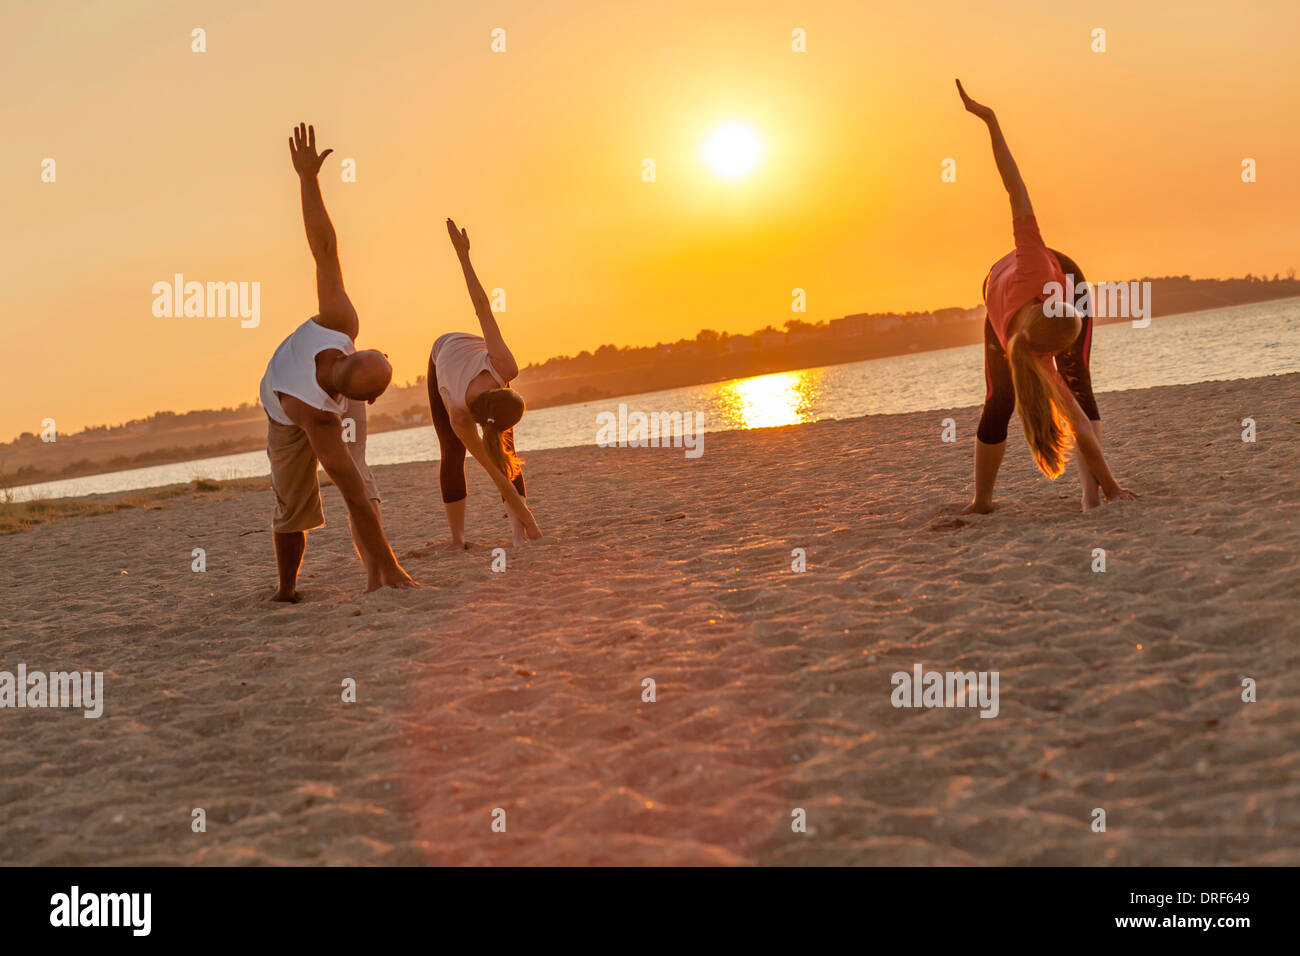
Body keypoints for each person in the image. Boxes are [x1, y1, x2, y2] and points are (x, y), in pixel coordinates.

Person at [955, 81, 1138, 514]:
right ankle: (981, 501)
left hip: (1061, 276)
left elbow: (1015, 188)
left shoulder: (1037, 268)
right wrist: (991, 120)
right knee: (1000, 399)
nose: (1059, 358)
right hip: (1011, 305)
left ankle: (1090, 494)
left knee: (1077, 384)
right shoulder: (1030, 345)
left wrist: (1111, 488)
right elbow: (1012, 181)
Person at [260, 123, 416, 599]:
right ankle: (287, 590)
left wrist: (309, 179)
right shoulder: (318, 410)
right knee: (293, 503)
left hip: (321, 399)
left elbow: (324, 249)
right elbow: (345, 491)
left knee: (360, 478)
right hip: (285, 412)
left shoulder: (339, 326)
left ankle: (377, 573)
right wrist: (307, 178)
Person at [427, 219, 543, 548]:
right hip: (441, 354)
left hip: (468, 354)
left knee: (506, 451)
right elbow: (493, 475)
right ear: (501, 387)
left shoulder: (503, 366)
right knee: (452, 451)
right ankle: (457, 537)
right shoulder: (460, 413)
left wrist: (524, 528)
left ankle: (516, 534)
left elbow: (483, 310)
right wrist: (462, 256)